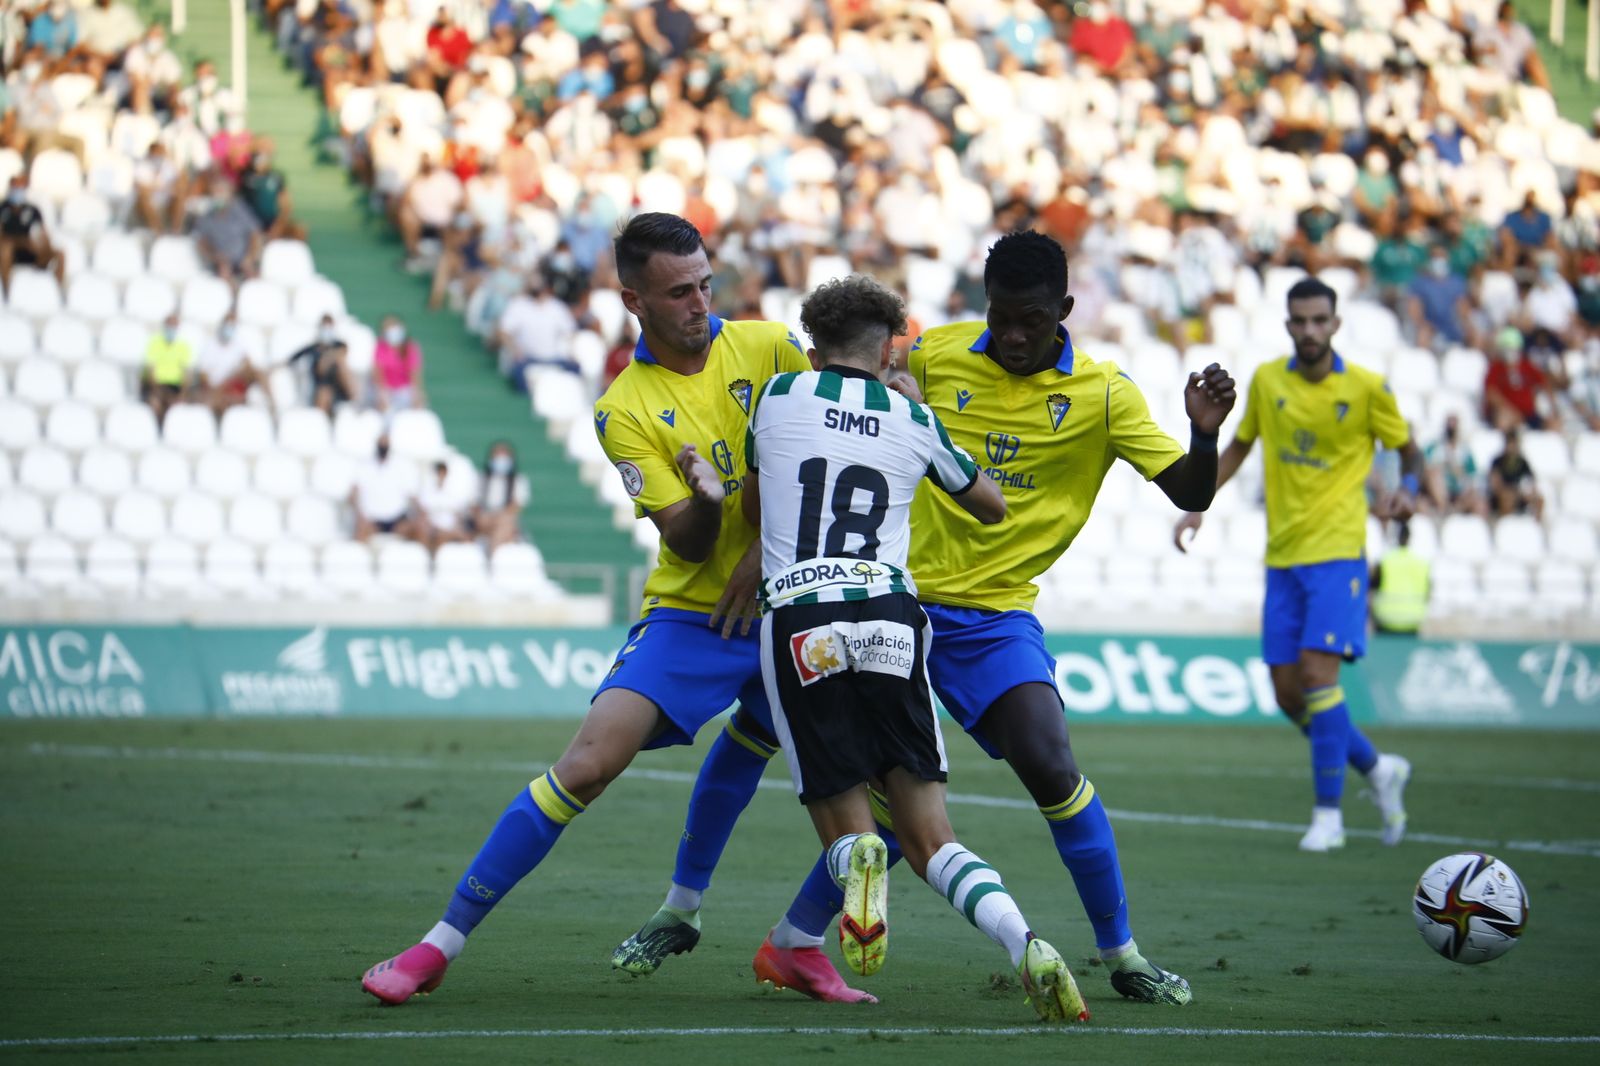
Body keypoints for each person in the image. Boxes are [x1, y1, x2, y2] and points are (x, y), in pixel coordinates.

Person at [615, 231, 1227, 1009]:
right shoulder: (934, 354)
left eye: (1028, 321)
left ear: (1064, 312)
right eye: (997, 316)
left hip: (990, 616)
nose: (1008, 334)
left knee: (1048, 764)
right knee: (771, 739)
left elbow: (1189, 490)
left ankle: (1122, 952)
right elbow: (849, 416)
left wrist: (1205, 434)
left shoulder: (1106, 395)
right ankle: (690, 908)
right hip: (889, 597)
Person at [360, 212, 811, 1005]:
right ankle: (438, 946)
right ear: (632, 298)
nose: (700, 302)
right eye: (678, 292)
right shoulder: (623, 408)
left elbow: (820, 456)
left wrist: (757, 554)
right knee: (588, 764)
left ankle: (796, 942)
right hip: (692, 617)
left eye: (706, 284)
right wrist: (708, 504)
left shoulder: (770, 347)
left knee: (891, 783)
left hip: (787, 603)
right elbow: (690, 542)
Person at [739, 274, 1085, 1021]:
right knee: (931, 838)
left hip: (804, 615)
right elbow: (990, 507)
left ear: (810, 346)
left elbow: (753, 502)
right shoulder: (911, 417)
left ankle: (854, 857)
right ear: (892, 345)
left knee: (847, 824)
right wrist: (923, 421)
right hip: (893, 617)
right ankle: (1023, 940)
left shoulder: (775, 399)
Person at [1174, 278, 1420, 853]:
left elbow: (1408, 449)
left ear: (1335, 324)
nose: (1309, 330)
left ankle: (1328, 816)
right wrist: (1197, 502)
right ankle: (1378, 769)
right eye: (1299, 321)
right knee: (1288, 694)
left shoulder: (1365, 388)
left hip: (1338, 554)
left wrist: (1407, 488)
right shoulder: (1267, 380)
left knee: (1317, 678)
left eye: (1319, 320)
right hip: (1282, 557)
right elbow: (1238, 447)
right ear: (1288, 326)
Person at [0, 174, 65, 296]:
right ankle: (7, 292)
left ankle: (56, 292)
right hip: (10, 250)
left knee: (60, 254)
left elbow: (43, 232)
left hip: (29, 249)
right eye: (16, 187)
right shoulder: (3, 208)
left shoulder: (33, 210)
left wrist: (41, 245)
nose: (18, 191)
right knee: (6, 249)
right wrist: (21, 241)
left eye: (21, 187)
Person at [196, 314, 271, 417]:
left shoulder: (238, 343)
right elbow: (203, 374)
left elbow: (248, 362)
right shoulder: (210, 345)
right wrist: (213, 389)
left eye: (233, 326)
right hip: (217, 386)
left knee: (258, 372)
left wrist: (242, 370)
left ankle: (271, 405)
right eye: (228, 325)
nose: (230, 329)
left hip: (233, 381)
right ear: (222, 325)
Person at [194, 176, 263, 284]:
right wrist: (215, 257)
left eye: (221, 191)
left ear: (230, 194)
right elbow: (201, 242)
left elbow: (255, 233)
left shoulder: (240, 210)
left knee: (253, 276)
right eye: (215, 191)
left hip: (244, 259)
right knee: (224, 272)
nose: (218, 195)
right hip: (220, 262)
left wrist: (250, 256)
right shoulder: (206, 215)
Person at [350, 435, 417, 541]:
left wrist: (421, 516)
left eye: (385, 443)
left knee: (418, 531)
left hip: (397, 520)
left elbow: (413, 496)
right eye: (381, 443)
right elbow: (353, 494)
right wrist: (359, 516)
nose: (383, 446)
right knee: (361, 532)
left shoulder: (401, 466)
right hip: (372, 520)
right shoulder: (365, 466)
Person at [288, 314, 356, 414]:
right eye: (325, 326)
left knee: (341, 364)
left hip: (339, 387)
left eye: (329, 326)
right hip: (320, 388)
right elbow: (292, 358)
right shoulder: (313, 348)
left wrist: (326, 359)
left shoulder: (339, 345)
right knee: (324, 392)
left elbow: (343, 351)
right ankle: (321, 423)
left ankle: (352, 398)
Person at [1369, 522, 1430, 635]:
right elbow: (1428, 592)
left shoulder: (1385, 560)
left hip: (1386, 619)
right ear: (1410, 537)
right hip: (1413, 619)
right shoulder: (1422, 562)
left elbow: (1372, 589)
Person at [468, 440, 529, 551]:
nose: (501, 459)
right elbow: (473, 503)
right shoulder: (480, 478)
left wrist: (499, 516)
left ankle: (494, 554)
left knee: (505, 524)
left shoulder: (518, 480)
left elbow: (516, 506)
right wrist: (481, 516)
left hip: (504, 518)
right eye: (497, 455)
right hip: (483, 517)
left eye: (504, 456)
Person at [140, 314, 193, 425]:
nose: (171, 329)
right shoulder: (154, 343)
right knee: (155, 404)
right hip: (156, 387)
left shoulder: (183, 346)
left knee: (177, 407)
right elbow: (151, 372)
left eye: (174, 326)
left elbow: (186, 375)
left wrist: (181, 395)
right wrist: (159, 392)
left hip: (174, 387)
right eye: (170, 326)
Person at [373, 315, 426, 413]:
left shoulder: (411, 347)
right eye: (388, 327)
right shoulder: (380, 347)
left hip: (405, 390)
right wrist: (382, 394)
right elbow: (378, 372)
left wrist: (417, 394)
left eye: (394, 326)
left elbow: (414, 372)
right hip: (387, 389)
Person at [1488, 428, 1543, 519]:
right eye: (1510, 444)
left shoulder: (1522, 462)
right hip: (1503, 494)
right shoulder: (1498, 461)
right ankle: (1506, 523)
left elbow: (1531, 479)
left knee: (1539, 500)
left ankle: (1536, 525)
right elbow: (1495, 483)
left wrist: (1530, 491)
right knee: (1507, 497)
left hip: (1519, 493)